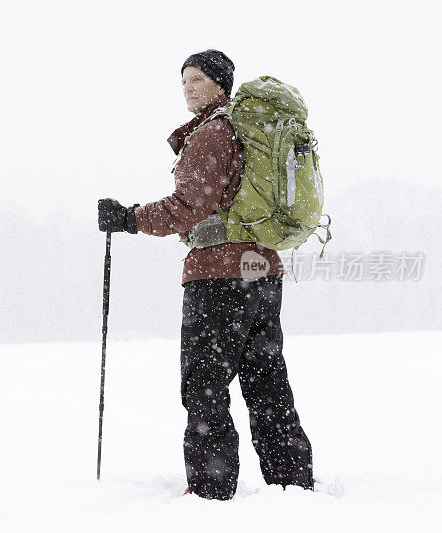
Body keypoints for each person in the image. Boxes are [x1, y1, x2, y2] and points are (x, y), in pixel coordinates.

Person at [97, 49, 313, 500]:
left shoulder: (213, 134)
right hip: (261, 270)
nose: (189, 88)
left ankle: (211, 491)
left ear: (221, 84)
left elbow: (186, 207)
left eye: (197, 79)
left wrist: (128, 218)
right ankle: (293, 482)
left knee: (205, 384)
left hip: (218, 277)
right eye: (184, 81)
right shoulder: (244, 134)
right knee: (266, 379)